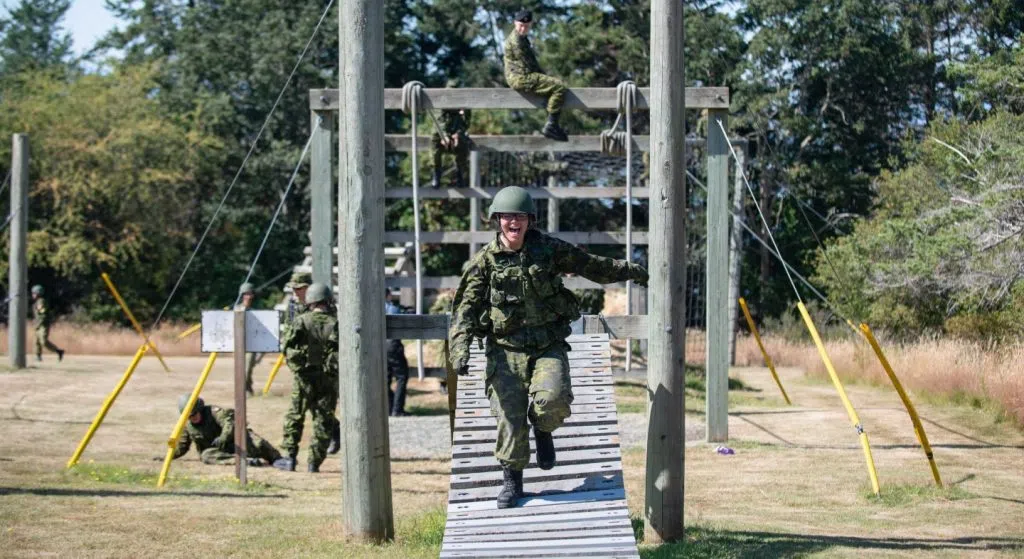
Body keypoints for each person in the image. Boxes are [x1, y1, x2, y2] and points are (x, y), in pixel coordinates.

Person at [448, 186, 648, 509]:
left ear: (530, 220)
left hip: (547, 346)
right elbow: (464, 311)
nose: (514, 222)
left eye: (520, 217)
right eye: (507, 217)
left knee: (552, 401)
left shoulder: (548, 250)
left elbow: (589, 265)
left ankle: (543, 429)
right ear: (497, 220)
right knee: (509, 419)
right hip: (505, 349)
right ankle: (512, 482)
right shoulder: (482, 264)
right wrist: (460, 349)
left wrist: (628, 270)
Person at [273, 282, 340, 473]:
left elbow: (287, 348)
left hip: (304, 378)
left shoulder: (301, 321)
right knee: (323, 419)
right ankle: (314, 463)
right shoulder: (336, 323)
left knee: (295, 416)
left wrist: (299, 369)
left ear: (310, 300)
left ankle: (290, 459)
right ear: (327, 300)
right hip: (328, 379)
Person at [503, 9, 569, 142]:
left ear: (531, 25)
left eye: (526, 26)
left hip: (522, 77)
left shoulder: (522, 38)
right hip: (521, 78)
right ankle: (552, 125)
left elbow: (532, 64)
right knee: (559, 87)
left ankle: (552, 123)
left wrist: (544, 76)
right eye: (521, 25)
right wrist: (544, 77)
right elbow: (529, 63)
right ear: (515, 23)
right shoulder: (516, 41)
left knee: (552, 86)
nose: (523, 28)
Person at [170, 395, 282, 466]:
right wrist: (169, 457)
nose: (192, 418)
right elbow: (182, 446)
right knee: (206, 456)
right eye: (189, 416)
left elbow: (228, 424)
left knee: (257, 442)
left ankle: (277, 459)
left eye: (194, 414)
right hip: (218, 452)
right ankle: (247, 462)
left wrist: (223, 437)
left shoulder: (214, 412)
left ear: (200, 409)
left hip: (234, 442)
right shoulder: (187, 426)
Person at [431, 79, 472, 188]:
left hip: (457, 132)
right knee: (434, 143)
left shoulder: (463, 102)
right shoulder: (442, 101)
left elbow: (466, 123)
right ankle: (436, 173)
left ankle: (460, 175)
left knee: (464, 146)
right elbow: (439, 120)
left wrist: (458, 133)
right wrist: (443, 135)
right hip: (443, 133)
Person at [385, 291, 410, 417]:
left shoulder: (375, 308)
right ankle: (397, 409)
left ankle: (389, 407)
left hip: (380, 346)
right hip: (393, 345)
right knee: (401, 377)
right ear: (388, 295)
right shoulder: (392, 308)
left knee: (386, 378)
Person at [236, 282, 263, 394]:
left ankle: (245, 391)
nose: (248, 296)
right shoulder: (237, 309)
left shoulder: (255, 311)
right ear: (242, 295)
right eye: (246, 294)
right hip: (239, 344)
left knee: (247, 370)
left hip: (252, 345)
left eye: (250, 294)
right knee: (241, 370)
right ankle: (248, 389)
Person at [30, 285, 64, 362]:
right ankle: (38, 356)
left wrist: (38, 323)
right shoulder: (37, 302)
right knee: (37, 341)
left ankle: (58, 351)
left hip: (43, 325)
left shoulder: (41, 301)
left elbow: (43, 314)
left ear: (38, 294)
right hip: (38, 324)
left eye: (34, 293)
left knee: (43, 341)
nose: (33, 295)